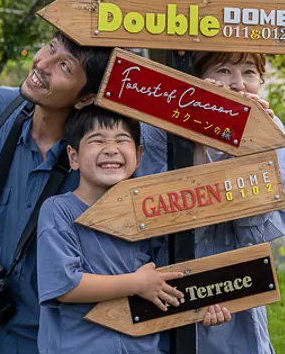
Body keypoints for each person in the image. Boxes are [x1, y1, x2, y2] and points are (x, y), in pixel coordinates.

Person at [0, 33, 111, 354]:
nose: (42, 64)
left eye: (64, 65)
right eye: (49, 47)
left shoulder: (97, 158)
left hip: (48, 331)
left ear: (86, 98)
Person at [137, 51, 285, 354]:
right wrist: (198, 134)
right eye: (224, 70)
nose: (239, 84)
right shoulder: (159, 124)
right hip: (165, 283)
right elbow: (151, 211)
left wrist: (251, 144)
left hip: (235, 285)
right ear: (198, 78)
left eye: (250, 72)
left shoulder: (270, 128)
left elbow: (272, 222)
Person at [37, 106, 231, 354]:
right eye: (97, 141)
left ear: (138, 156)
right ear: (73, 157)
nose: (111, 149)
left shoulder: (149, 213)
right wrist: (136, 283)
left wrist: (200, 304)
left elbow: (168, 278)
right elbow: (65, 286)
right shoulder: (59, 211)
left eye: (122, 140)